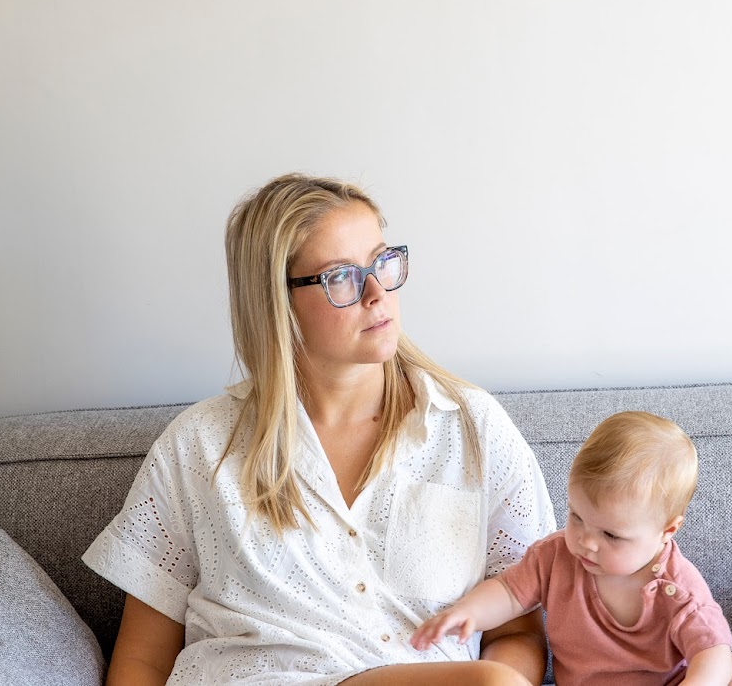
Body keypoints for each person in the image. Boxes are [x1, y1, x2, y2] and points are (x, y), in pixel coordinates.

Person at [82, 173, 557, 686]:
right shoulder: (198, 446)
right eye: (342, 277)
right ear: (278, 302)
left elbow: (520, 633)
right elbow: (143, 660)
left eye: (382, 262)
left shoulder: (472, 427)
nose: (377, 292)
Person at [411, 411, 732, 686]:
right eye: (577, 517)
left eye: (611, 535)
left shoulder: (677, 588)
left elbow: (711, 651)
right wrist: (469, 612)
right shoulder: (555, 556)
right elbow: (509, 592)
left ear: (666, 531)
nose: (586, 542)